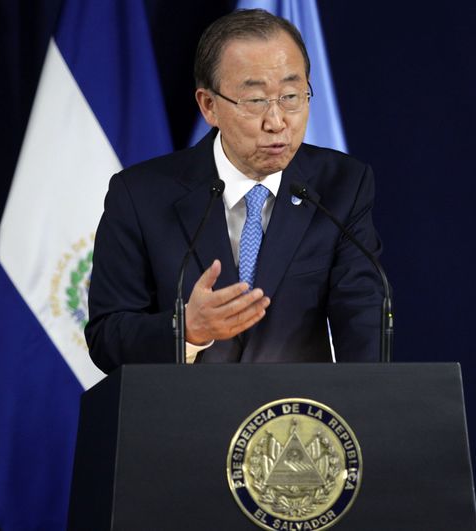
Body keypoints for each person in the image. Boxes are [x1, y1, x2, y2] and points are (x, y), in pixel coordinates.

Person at [86, 9, 383, 374]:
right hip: (183, 424)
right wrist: (186, 331)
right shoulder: (140, 195)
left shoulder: (342, 185)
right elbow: (106, 337)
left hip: (296, 424)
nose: (276, 122)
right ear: (209, 106)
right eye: (255, 101)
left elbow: (362, 320)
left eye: (291, 96)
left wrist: (371, 408)